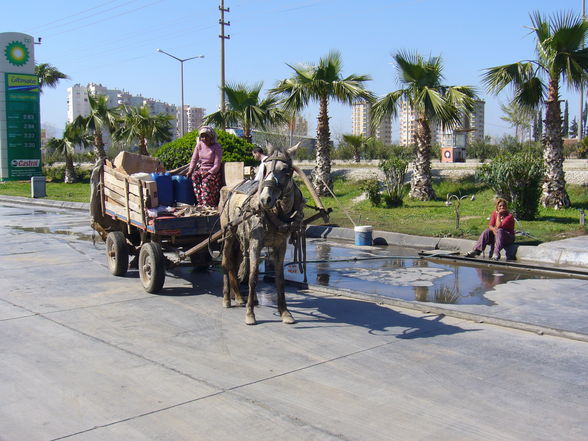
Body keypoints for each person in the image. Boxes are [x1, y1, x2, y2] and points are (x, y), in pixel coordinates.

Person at [187, 126, 223, 207]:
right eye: (202, 136)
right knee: (194, 176)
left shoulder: (216, 147)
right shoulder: (199, 145)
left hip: (213, 172)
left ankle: (208, 204)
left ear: (211, 137)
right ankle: (200, 202)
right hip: (202, 170)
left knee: (206, 181)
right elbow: (194, 159)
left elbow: (217, 164)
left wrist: (209, 172)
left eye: (206, 136)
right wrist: (190, 170)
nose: (204, 138)